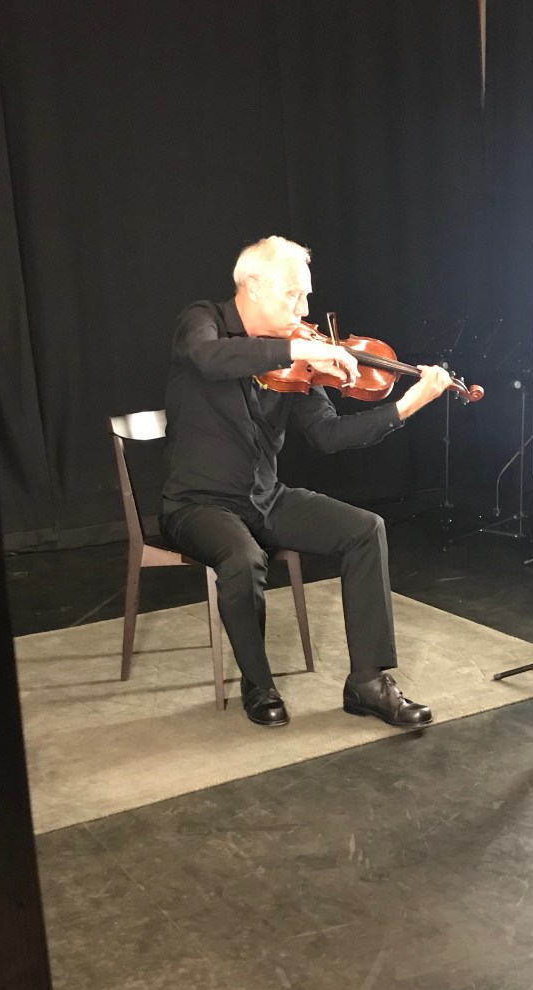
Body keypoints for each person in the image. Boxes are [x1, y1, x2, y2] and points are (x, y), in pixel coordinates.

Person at [160, 236, 452, 728]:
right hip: (197, 504)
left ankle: (367, 683)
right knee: (243, 558)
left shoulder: (300, 363)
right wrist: (297, 348)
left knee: (365, 529)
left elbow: (328, 435)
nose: (304, 309)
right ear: (253, 286)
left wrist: (407, 406)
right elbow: (209, 357)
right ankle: (259, 684)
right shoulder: (202, 321)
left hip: (265, 499)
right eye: (293, 294)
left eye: (306, 296)